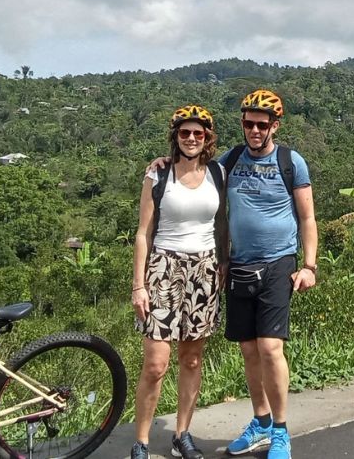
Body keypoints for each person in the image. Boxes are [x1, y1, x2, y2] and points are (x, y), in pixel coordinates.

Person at [222, 89, 317, 459]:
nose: (255, 130)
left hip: (279, 262)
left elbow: (307, 217)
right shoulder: (229, 160)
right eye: (248, 123)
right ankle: (260, 422)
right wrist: (166, 161)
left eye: (262, 124)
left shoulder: (291, 162)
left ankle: (280, 430)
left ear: (275, 125)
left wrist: (309, 265)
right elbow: (194, 170)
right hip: (240, 263)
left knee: (269, 347)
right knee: (248, 349)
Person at [131, 105, 226, 459]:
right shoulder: (158, 175)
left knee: (192, 360)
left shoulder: (218, 172)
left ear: (207, 139)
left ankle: (181, 434)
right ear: (175, 137)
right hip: (163, 268)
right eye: (184, 133)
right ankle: (141, 440)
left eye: (198, 134)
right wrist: (138, 285)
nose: (191, 139)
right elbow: (143, 233)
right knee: (156, 364)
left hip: (205, 269)